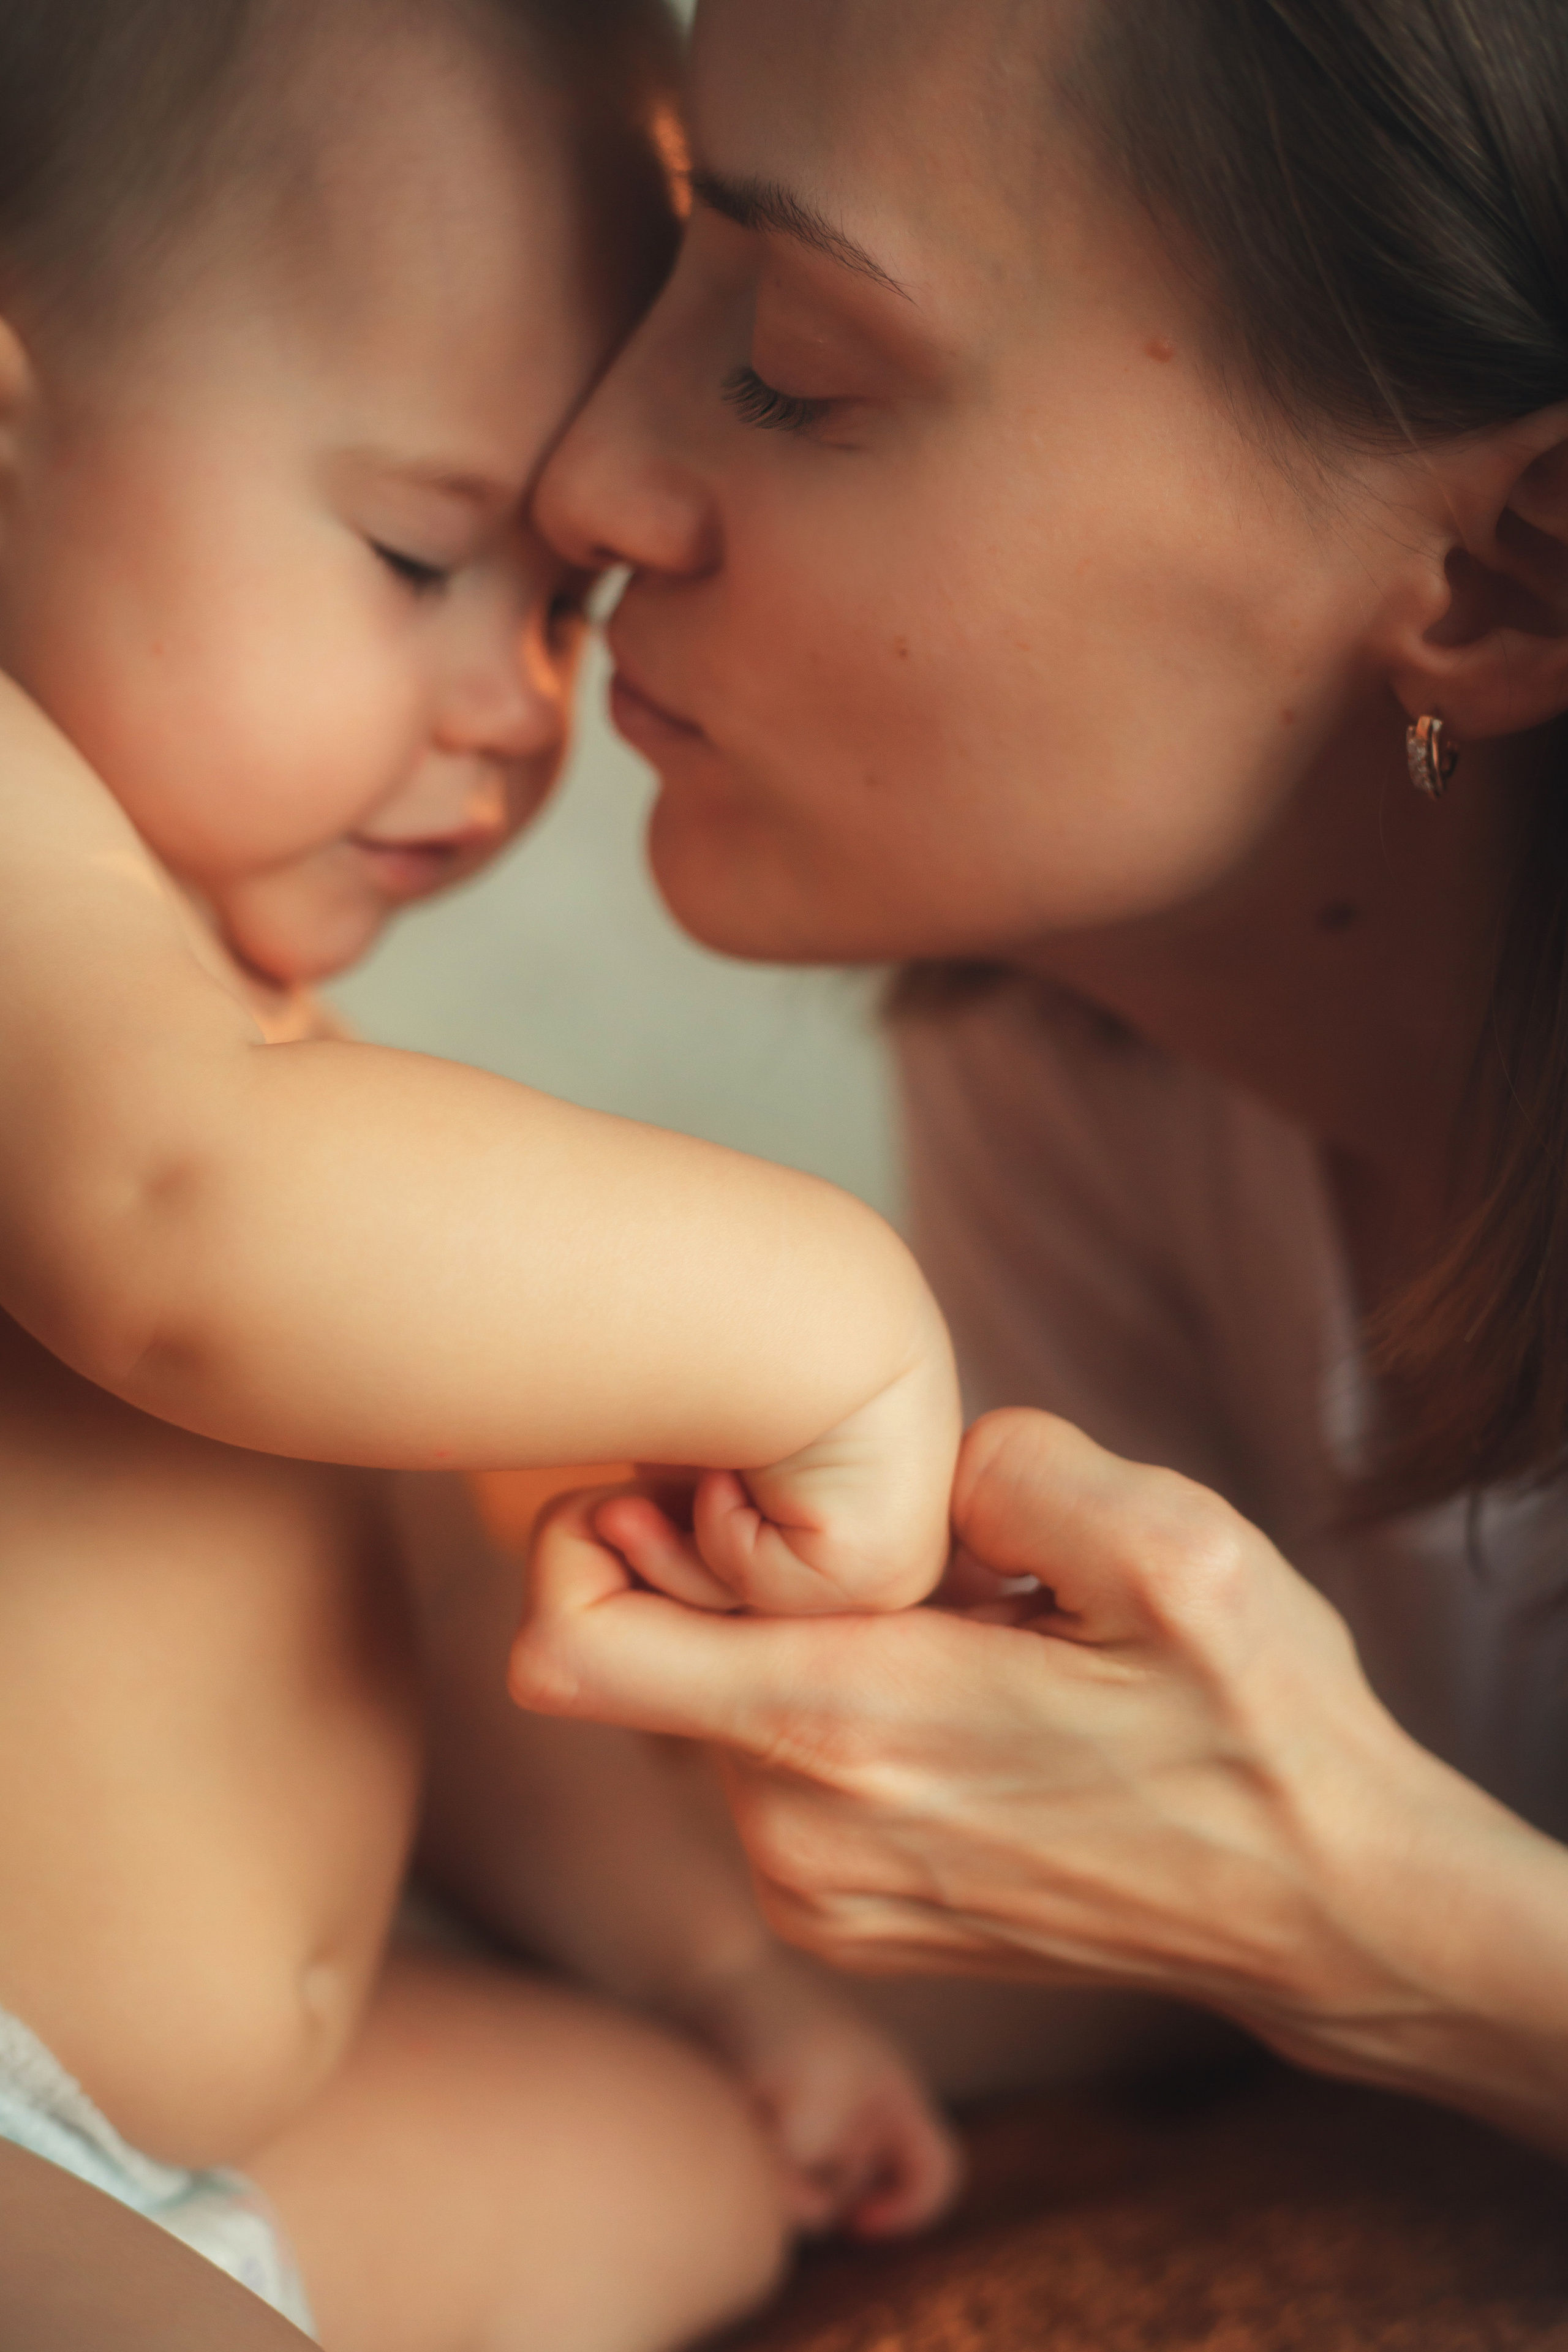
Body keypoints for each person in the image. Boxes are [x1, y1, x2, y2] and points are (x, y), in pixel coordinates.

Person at [514, 0, 1568, 2160]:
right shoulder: (1098, 1034)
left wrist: (1375, 1921)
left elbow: (1259, 1923)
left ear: (1499, 579)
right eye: (668, 259)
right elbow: (1080, 1957)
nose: (586, 480)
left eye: (796, 359)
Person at [0, 0, 965, 2342]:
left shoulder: (241, 1015)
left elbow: (432, 1623)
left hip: (165, 2122)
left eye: (557, 606)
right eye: (416, 553)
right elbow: (182, 1224)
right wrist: (835, 1321)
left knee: (678, 2175)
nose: (519, 702)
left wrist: (722, 1978)